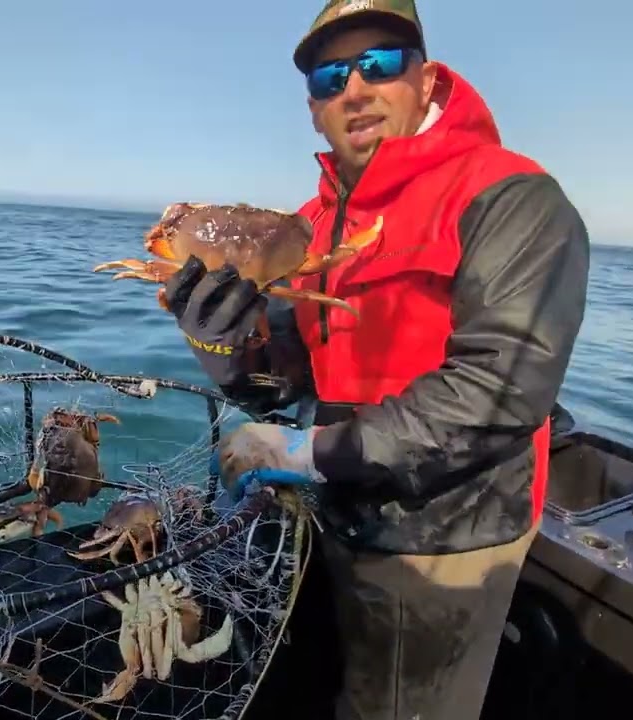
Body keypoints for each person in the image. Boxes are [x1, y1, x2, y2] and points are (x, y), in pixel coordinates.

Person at [161, 2, 591, 719]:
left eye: (380, 63)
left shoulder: (509, 196)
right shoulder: (310, 222)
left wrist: (310, 451)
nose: (354, 88)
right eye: (332, 76)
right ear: (313, 109)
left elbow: (500, 392)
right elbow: (282, 378)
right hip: (329, 511)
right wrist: (220, 346)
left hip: (443, 538)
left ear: (423, 80)